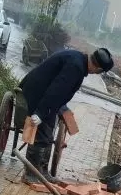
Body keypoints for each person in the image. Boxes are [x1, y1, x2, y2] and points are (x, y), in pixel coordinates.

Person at [19, 47, 114, 184]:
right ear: (97, 69)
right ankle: (30, 174)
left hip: (43, 95)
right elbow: (56, 90)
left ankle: (43, 172)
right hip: (36, 94)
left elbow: (59, 93)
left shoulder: (78, 60)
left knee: (48, 134)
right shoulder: (76, 67)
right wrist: (40, 113)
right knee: (42, 134)